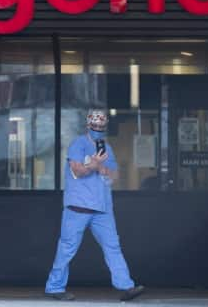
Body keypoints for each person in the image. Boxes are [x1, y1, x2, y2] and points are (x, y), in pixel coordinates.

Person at [45, 108, 145, 302]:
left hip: (102, 209)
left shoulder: (107, 148)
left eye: (102, 126)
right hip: (78, 207)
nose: (98, 129)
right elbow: (77, 170)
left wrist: (101, 166)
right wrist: (93, 165)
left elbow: (115, 175)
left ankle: (127, 286)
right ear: (88, 125)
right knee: (67, 248)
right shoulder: (78, 144)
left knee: (113, 246)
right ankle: (54, 287)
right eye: (95, 126)